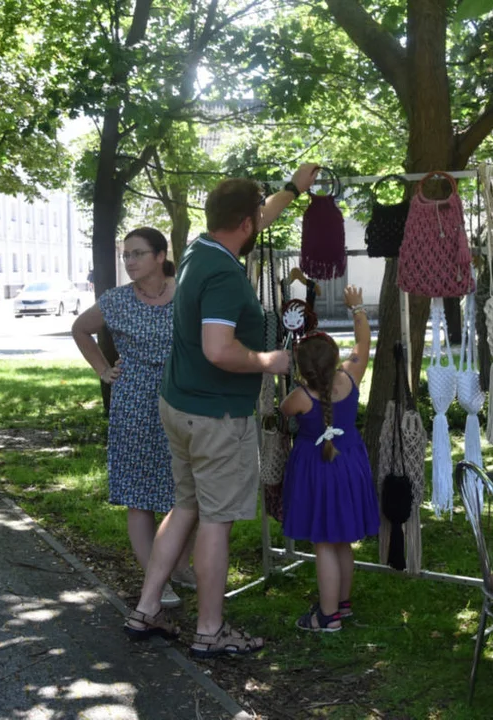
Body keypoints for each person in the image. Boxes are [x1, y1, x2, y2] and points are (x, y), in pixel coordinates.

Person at [122, 164, 320, 655]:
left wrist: (293, 189)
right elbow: (218, 348)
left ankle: (146, 610)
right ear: (246, 224)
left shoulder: (197, 250)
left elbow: (257, 217)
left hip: (180, 406)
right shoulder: (226, 276)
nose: (261, 221)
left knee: (185, 507)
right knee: (215, 521)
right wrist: (269, 361)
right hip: (215, 420)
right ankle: (210, 632)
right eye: (257, 217)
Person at [71, 227, 196, 608]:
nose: (129, 261)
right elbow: (80, 329)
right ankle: (156, 578)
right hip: (135, 406)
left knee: (187, 491)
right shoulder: (117, 301)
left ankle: (180, 566)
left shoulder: (188, 292)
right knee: (139, 496)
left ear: (160, 256)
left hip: (184, 400)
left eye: (137, 254)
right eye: (125, 255)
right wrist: (103, 370)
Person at [280, 285, 380, 631]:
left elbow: (281, 411)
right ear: (335, 357)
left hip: (317, 469)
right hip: (349, 463)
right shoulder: (350, 378)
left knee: (324, 540)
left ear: (301, 368)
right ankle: (342, 603)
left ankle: (327, 616)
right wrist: (357, 308)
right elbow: (363, 345)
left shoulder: (299, 395)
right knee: (341, 540)